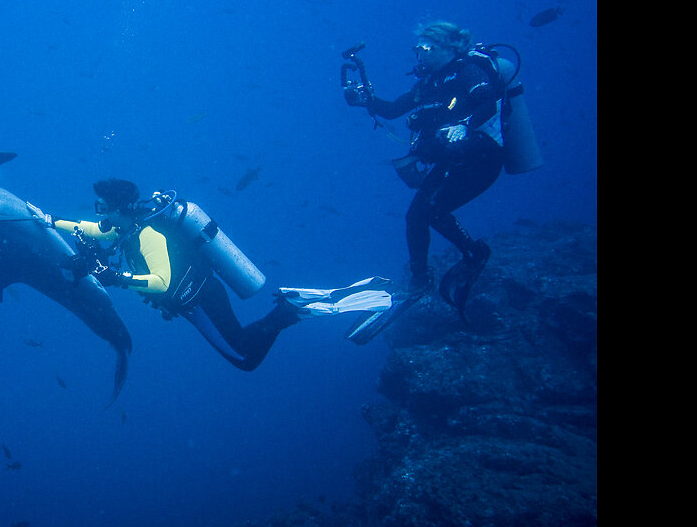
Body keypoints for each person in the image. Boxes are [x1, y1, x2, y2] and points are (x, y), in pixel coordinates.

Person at [44, 179, 391, 371]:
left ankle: (294, 309)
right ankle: (292, 309)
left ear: (119, 208)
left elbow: (162, 281)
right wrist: (48, 220)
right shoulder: (125, 229)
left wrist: (118, 278)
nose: (98, 213)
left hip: (199, 301)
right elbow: (89, 230)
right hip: (197, 296)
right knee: (241, 351)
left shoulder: (147, 236)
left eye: (103, 206)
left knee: (244, 357)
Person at [344, 21, 504, 315]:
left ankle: (475, 254)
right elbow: (393, 109)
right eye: (417, 49)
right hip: (453, 161)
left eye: (424, 48)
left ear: (447, 46)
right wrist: (364, 100)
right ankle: (420, 279)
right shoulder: (430, 83)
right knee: (416, 215)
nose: (419, 55)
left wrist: (464, 126)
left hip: (482, 159)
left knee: (432, 210)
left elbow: (488, 104)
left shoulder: (467, 70)